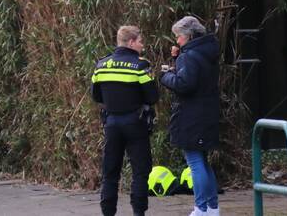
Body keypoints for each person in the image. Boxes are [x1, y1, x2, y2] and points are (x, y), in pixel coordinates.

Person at [91, 25, 158, 216]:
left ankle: (108, 213)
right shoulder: (141, 65)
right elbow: (152, 97)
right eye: (140, 41)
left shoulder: (101, 65)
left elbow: (96, 96)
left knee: (110, 172)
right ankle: (138, 212)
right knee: (140, 171)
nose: (142, 46)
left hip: (111, 123)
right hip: (135, 123)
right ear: (131, 42)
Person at [159, 16, 220, 216]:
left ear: (189, 35)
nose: (177, 41)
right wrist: (178, 60)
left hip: (191, 115)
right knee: (203, 160)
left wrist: (165, 76)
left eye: (178, 37)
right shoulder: (208, 51)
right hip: (208, 112)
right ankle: (212, 207)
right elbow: (196, 76)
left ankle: (200, 208)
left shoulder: (190, 56)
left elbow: (184, 85)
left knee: (194, 162)